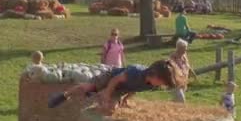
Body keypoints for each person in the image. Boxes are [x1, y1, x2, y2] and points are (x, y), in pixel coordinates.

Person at [48, 59, 186, 112]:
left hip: (122, 88)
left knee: (110, 108)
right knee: (88, 87)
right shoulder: (135, 72)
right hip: (111, 76)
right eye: (163, 81)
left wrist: (125, 99)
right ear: (154, 74)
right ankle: (64, 95)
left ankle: (96, 96)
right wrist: (107, 94)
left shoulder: (154, 85)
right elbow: (115, 80)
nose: (163, 85)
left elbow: (136, 88)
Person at [169, 39, 194, 103]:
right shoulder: (173, 57)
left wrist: (192, 73)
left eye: (186, 48)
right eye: (184, 48)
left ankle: (167, 108)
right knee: (181, 100)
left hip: (183, 82)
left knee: (177, 101)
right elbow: (170, 68)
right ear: (178, 48)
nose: (185, 50)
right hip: (175, 83)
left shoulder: (184, 56)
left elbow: (187, 66)